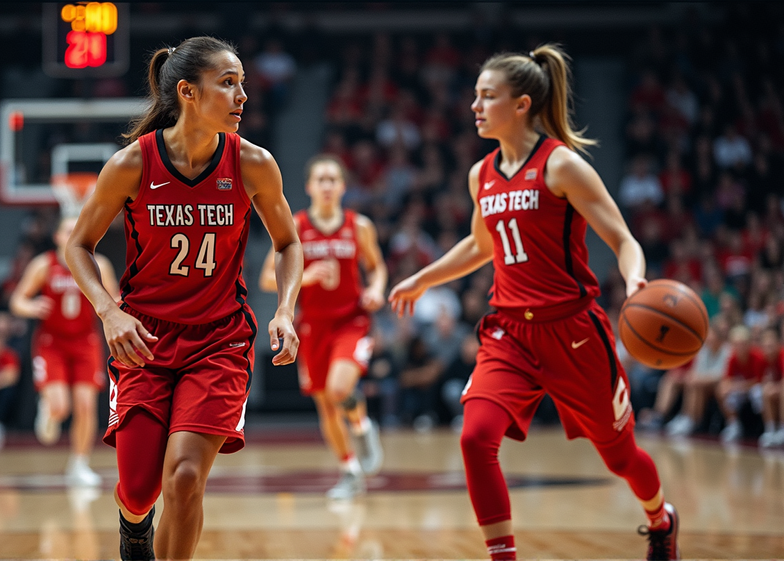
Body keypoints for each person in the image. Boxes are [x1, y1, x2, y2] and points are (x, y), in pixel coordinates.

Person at [388, 45, 679, 560]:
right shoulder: (481, 174)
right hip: (510, 333)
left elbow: (624, 239)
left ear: (521, 104)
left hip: (574, 332)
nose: (475, 106)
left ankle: (661, 518)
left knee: (621, 457)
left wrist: (635, 281)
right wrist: (422, 279)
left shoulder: (563, 166)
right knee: (476, 438)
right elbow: (481, 245)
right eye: (475, 96)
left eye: (487, 96)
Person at [64, 37, 301, 561]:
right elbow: (76, 246)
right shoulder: (130, 165)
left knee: (187, 476)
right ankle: (132, 524)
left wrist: (285, 307)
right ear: (189, 93)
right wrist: (109, 311)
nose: (243, 95)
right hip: (143, 339)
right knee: (139, 488)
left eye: (242, 83)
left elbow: (287, 244)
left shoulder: (254, 163)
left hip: (219, 338)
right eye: (229, 83)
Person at [258, 154, 386, 500]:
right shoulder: (296, 226)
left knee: (339, 389)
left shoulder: (359, 226)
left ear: (343, 187)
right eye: (321, 179)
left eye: (333, 179)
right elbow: (268, 278)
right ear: (309, 187)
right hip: (312, 326)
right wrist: (307, 276)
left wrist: (375, 289)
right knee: (326, 406)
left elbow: (376, 268)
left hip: (351, 322)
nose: (327, 185)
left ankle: (361, 425)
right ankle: (350, 471)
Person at [10, 216, 120, 485]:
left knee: (85, 405)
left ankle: (79, 464)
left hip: (86, 341)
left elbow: (115, 299)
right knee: (61, 407)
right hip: (52, 342)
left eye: (77, 229)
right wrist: (32, 306)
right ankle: (49, 411)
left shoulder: (99, 263)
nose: (73, 233)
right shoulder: (43, 265)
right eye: (67, 230)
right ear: (57, 236)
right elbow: (17, 301)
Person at [716, 325, 766, 443]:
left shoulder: (757, 356)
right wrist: (728, 387)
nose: (740, 347)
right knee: (722, 391)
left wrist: (738, 386)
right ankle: (734, 425)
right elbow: (726, 379)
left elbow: (759, 380)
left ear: (749, 343)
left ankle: (767, 428)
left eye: (743, 343)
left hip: (755, 388)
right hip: (742, 389)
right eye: (736, 344)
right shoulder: (733, 358)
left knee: (758, 394)